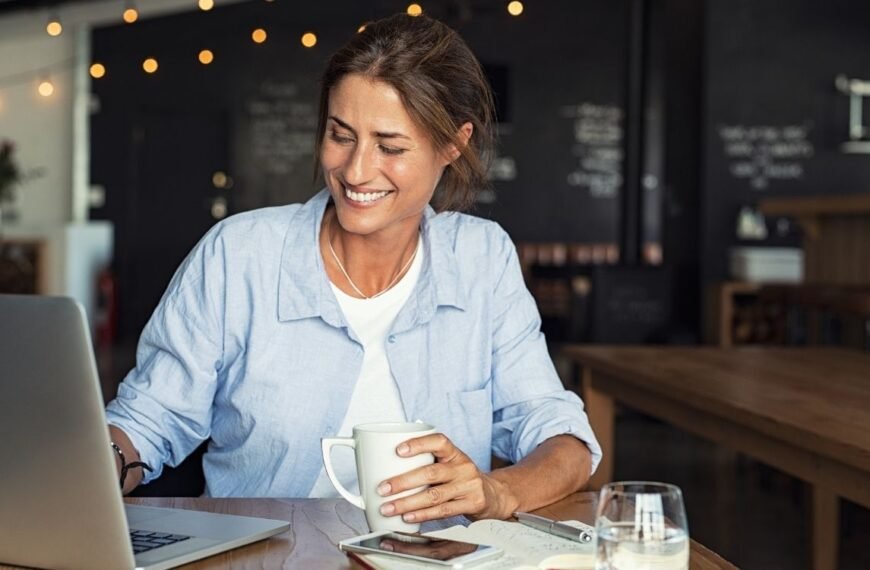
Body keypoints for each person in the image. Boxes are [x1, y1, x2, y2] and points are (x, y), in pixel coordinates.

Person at [106, 12, 601, 526]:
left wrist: (496, 491)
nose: (357, 170)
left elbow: (563, 441)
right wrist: (96, 464)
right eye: (341, 135)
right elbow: (149, 418)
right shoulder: (240, 254)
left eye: (390, 147)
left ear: (453, 145)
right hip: (267, 561)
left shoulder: (482, 260)